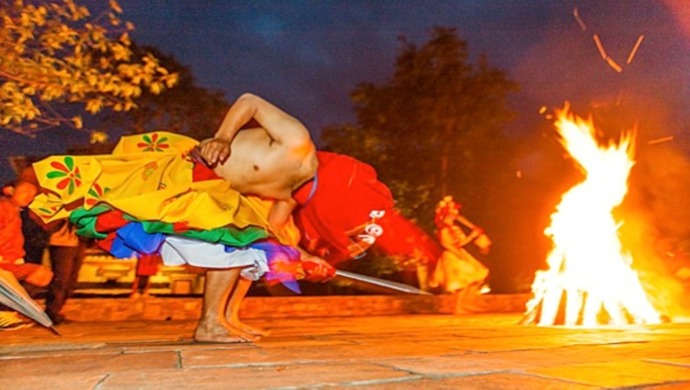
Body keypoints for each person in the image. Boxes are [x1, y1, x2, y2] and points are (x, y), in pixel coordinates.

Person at [428, 196, 490, 299]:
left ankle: (465, 304)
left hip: (458, 253)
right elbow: (445, 243)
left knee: (474, 278)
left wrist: (472, 236)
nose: (455, 214)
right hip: (452, 256)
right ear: (447, 214)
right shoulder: (444, 228)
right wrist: (458, 253)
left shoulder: (454, 227)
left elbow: (460, 243)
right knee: (461, 283)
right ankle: (459, 307)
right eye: (453, 212)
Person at [44, 221, 86, 324]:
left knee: (71, 280)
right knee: (61, 278)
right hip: (62, 242)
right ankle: (51, 312)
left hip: (79, 241)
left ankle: (56, 310)